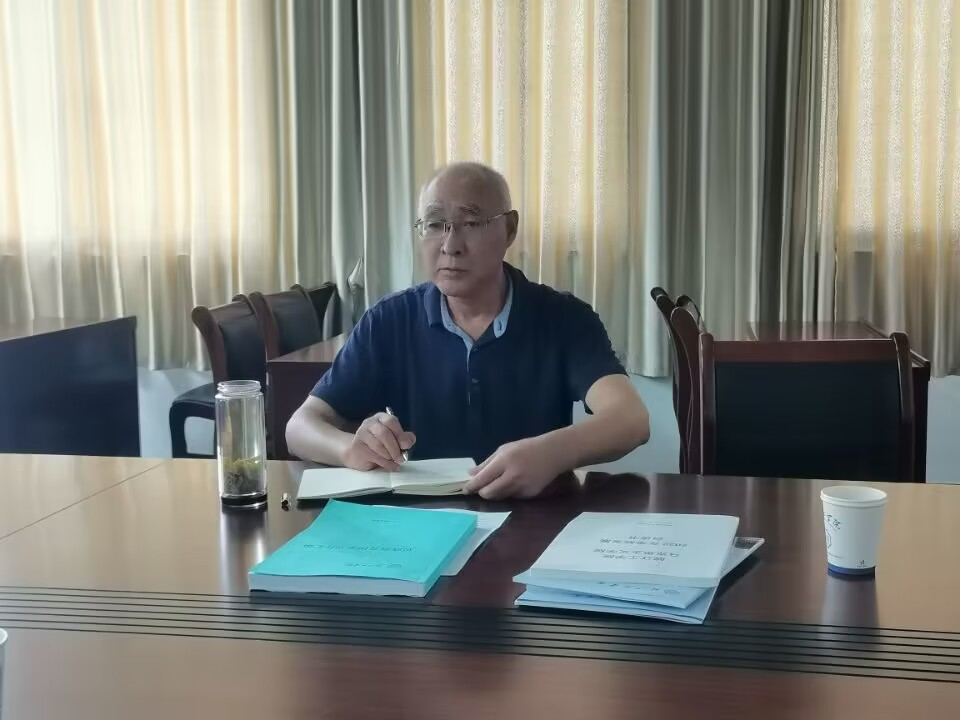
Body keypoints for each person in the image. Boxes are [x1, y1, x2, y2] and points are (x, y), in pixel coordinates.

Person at [286, 161, 650, 499]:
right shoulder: (389, 321)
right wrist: (350, 449)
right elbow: (300, 426)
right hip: (426, 521)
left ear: (509, 229)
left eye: (471, 223)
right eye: (434, 225)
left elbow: (630, 419)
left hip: (537, 518)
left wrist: (552, 453)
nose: (450, 246)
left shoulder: (563, 317)